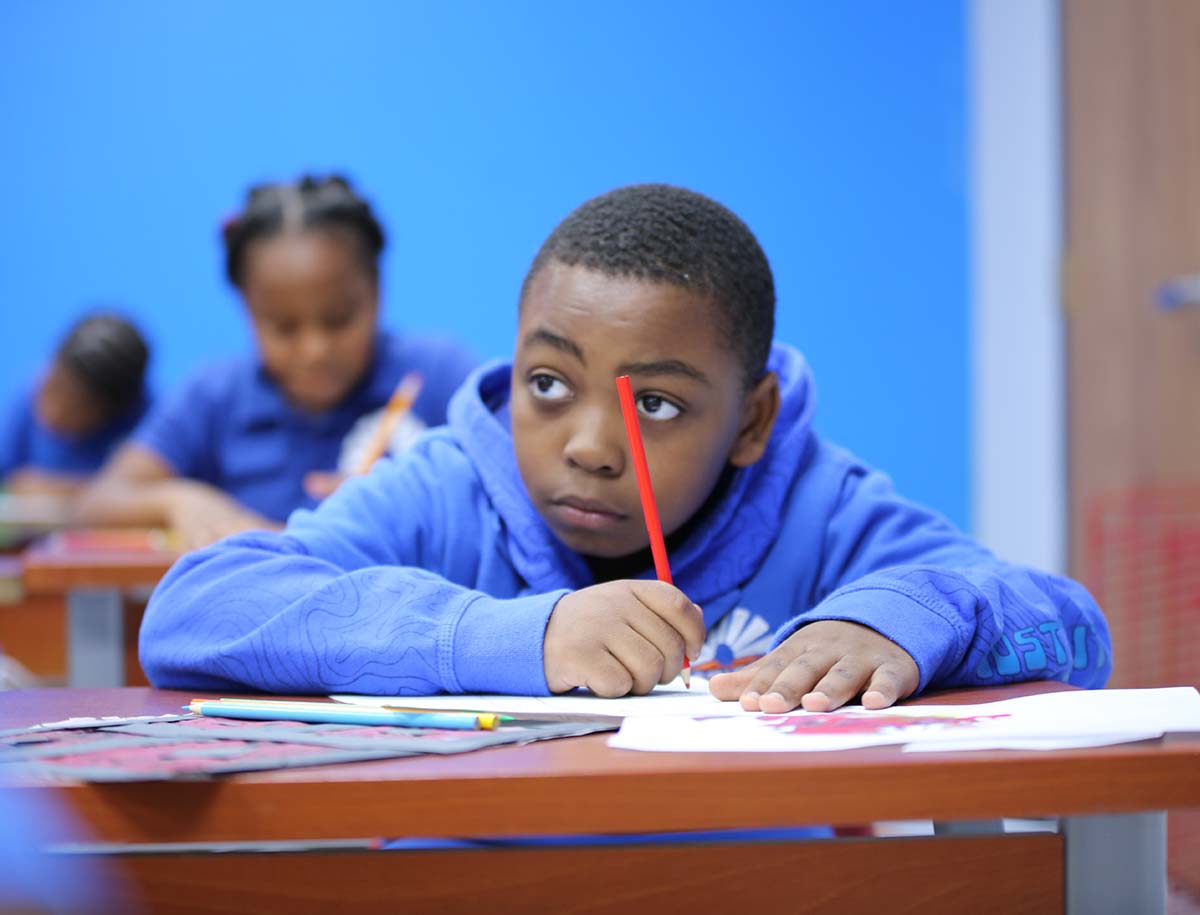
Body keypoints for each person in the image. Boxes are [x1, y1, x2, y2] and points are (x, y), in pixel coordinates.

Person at [139, 184, 1111, 713]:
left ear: (755, 419)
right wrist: (517, 634)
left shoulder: (824, 508)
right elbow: (191, 614)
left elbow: (1076, 636)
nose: (593, 447)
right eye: (549, 386)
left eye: (656, 403)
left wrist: (902, 619)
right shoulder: (446, 491)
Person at [76, 175, 477, 549]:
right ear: (247, 308)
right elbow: (95, 506)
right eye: (284, 328)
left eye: (339, 320)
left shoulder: (437, 374)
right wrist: (179, 500)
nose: (314, 349)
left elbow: (518, 486)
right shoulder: (215, 396)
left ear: (376, 291)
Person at [1, 313, 150, 498]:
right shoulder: (30, 393)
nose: (56, 412)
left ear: (112, 410)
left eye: (77, 404)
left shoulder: (147, 421)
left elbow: (147, 490)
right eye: (54, 387)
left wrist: (64, 490)